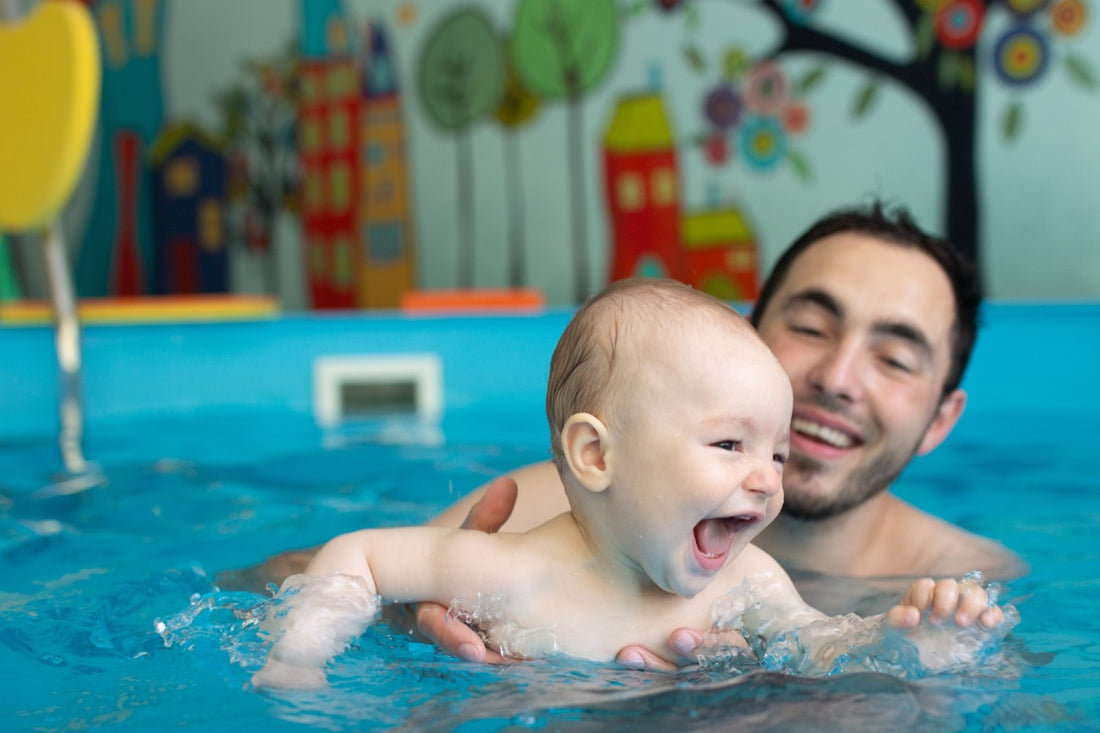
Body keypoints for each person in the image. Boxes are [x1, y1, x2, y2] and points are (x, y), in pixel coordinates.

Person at [251, 278, 1006, 689]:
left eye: (776, 456)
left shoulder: (746, 582)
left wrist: (908, 644)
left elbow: (820, 645)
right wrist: (301, 653)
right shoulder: (504, 570)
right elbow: (359, 556)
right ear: (595, 455)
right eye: (729, 444)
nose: (764, 480)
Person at [412, 201, 1024, 667]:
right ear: (743, 338)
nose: (837, 379)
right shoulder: (546, 504)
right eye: (810, 328)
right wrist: (425, 620)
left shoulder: (970, 584)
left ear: (940, 420)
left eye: (894, 359)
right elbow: (360, 584)